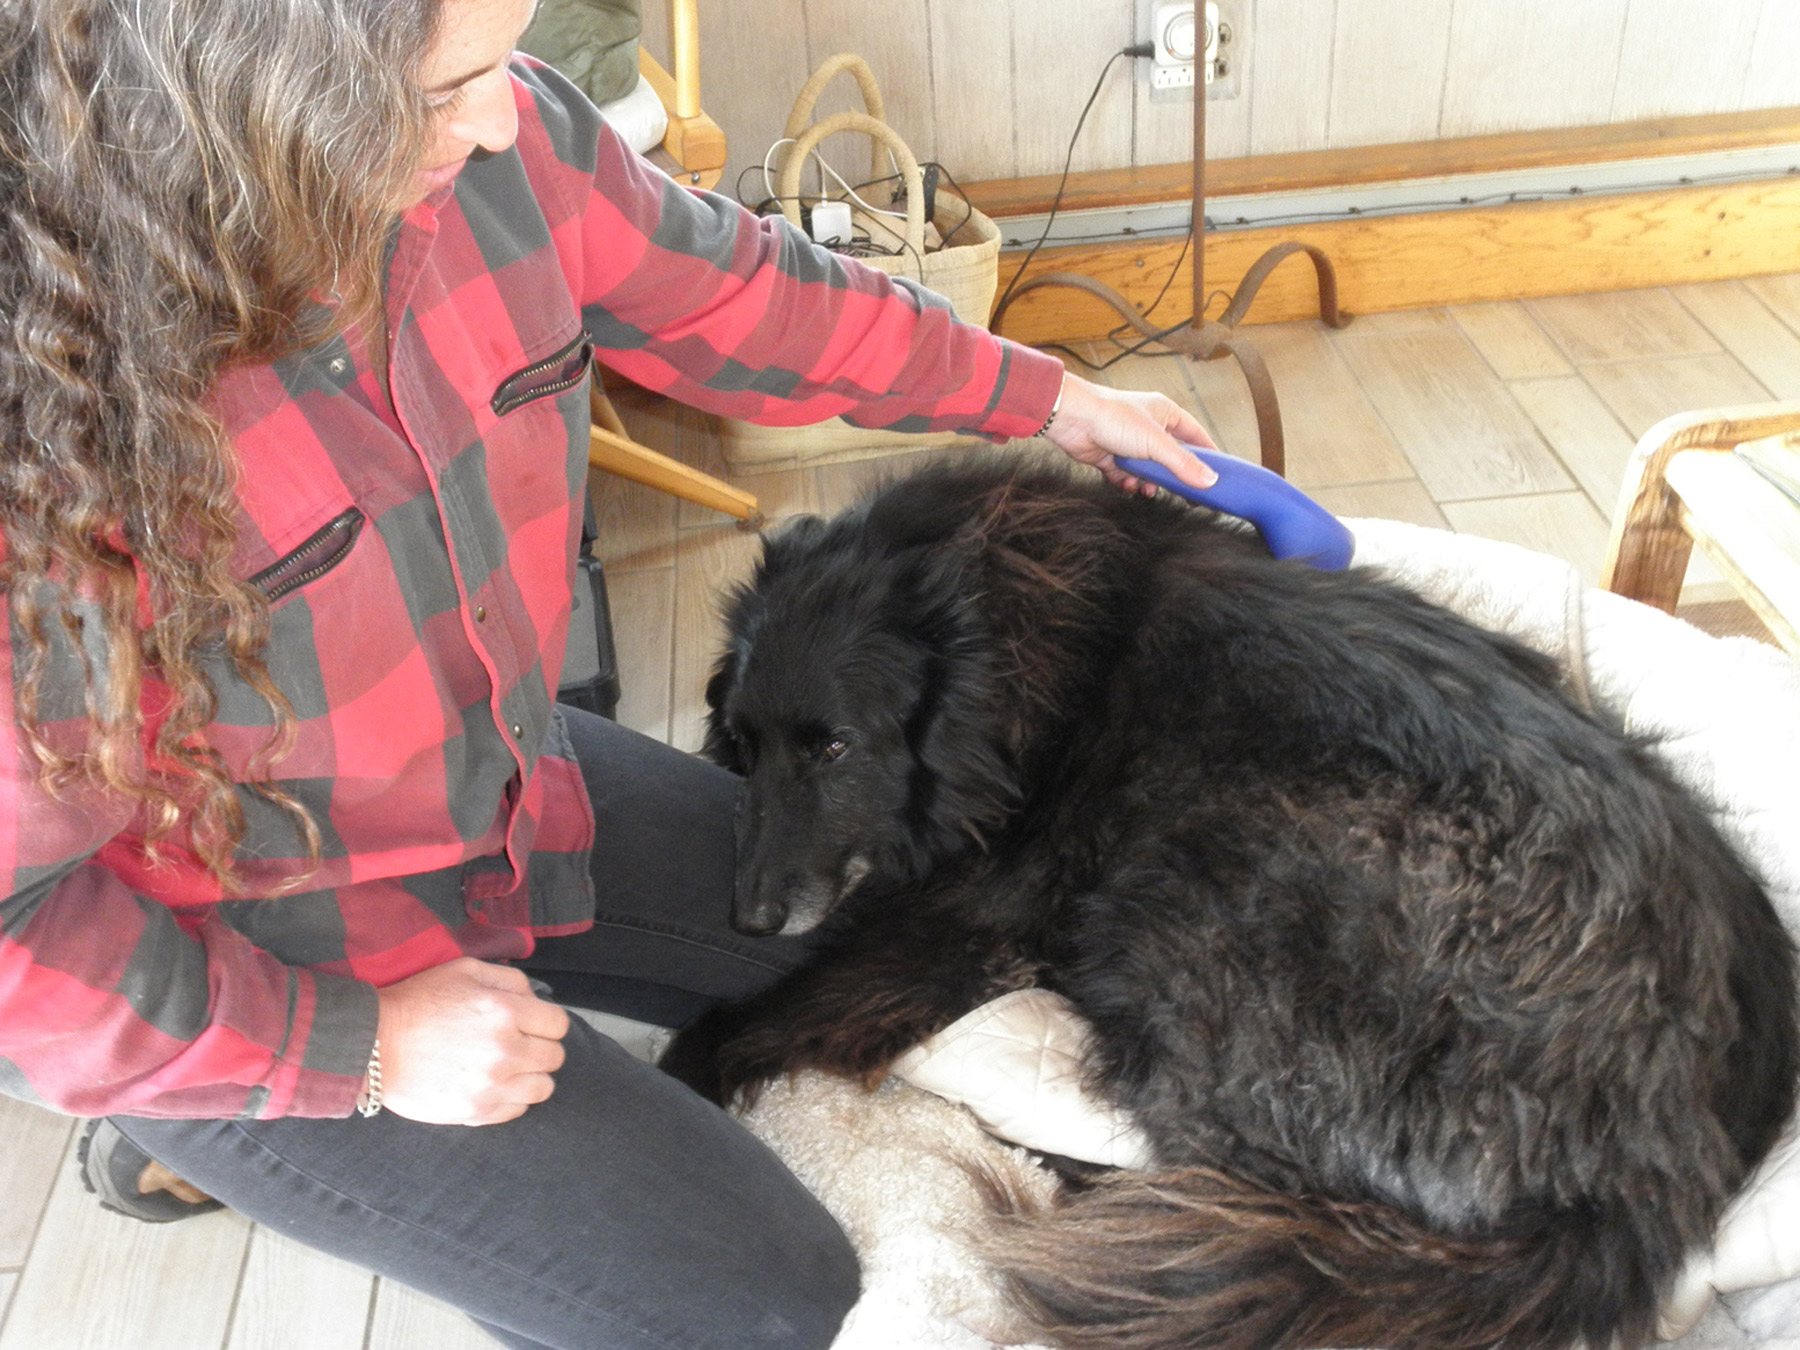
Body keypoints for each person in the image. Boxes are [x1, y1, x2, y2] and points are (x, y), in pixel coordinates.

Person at [0, 0, 1218, 1346]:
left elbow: (752, 292)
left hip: (506, 793)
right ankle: (186, 1121)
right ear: (246, 88)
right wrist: (353, 1048)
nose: (506, 114)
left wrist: (1050, 397)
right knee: (766, 1297)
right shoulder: (51, 427)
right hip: (260, 942)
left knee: (931, 940)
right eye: (444, 86)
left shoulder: (507, 149)